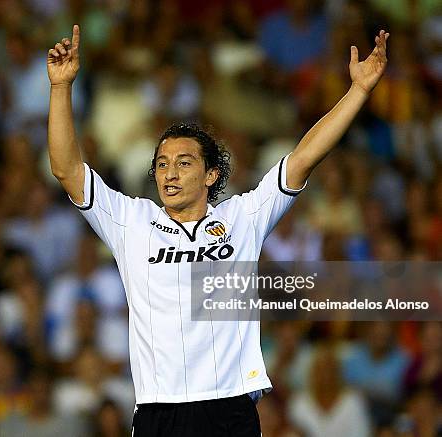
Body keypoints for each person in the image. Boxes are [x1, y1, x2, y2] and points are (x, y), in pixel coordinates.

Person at [47, 24, 389, 437]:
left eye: (184, 162)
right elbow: (66, 170)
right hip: (160, 412)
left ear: (211, 174)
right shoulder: (130, 222)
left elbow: (302, 159)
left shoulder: (243, 218)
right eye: (161, 163)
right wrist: (61, 88)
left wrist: (358, 92)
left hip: (229, 407)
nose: (169, 173)